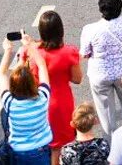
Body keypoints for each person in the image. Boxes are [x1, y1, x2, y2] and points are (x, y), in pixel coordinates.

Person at [80, 0, 122, 136]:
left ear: (100, 8)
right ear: (120, 6)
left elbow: (85, 54)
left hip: (100, 75)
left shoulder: (89, 29)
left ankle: (112, 150)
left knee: (107, 118)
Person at [0, 34, 53, 165]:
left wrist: (7, 50)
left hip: (18, 152)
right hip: (41, 150)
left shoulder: (9, 103)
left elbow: (2, 73)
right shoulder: (43, 98)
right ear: (33, 83)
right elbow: (42, 65)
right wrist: (29, 46)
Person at [32, 10, 83, 158]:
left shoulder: (35, 53)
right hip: (61, 104)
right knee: (59, 147)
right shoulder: (69, 52)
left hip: (40, 104)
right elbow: (77, 79)